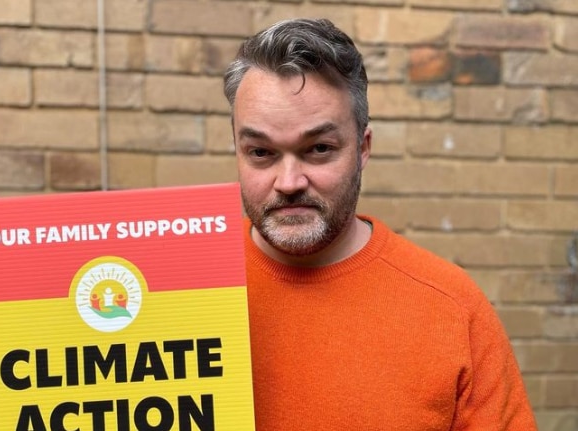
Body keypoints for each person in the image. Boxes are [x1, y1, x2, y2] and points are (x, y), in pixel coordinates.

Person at [223, 18, 538, 430]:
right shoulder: (178, 292)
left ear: (363, 148)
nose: (289, 183)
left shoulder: (452, 309)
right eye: (261, 153)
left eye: (319, 149)